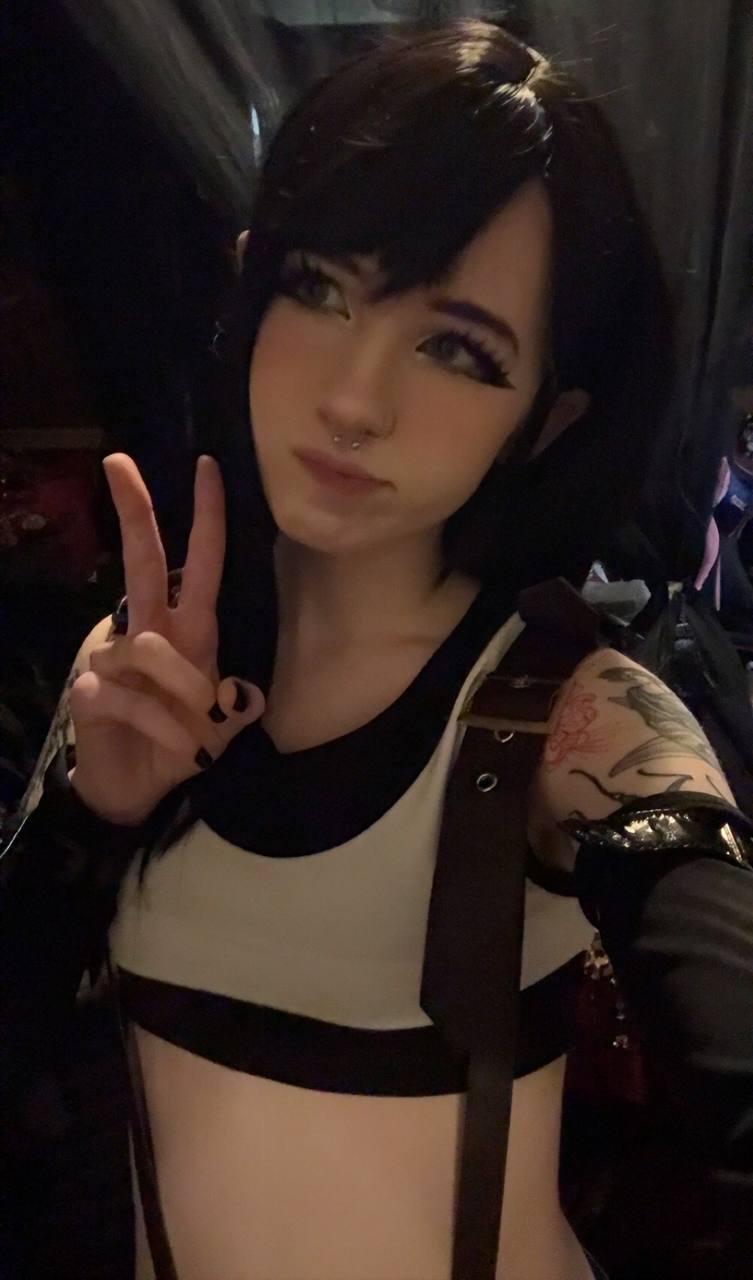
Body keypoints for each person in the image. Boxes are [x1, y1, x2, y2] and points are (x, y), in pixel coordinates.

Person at [2, 19, 753, 1280]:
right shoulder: (149, 656)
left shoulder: (575, 714)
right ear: (249, 291)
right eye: (320, 289)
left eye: (458, 347)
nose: (355, 397)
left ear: (544, 418)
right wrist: (89, 812)